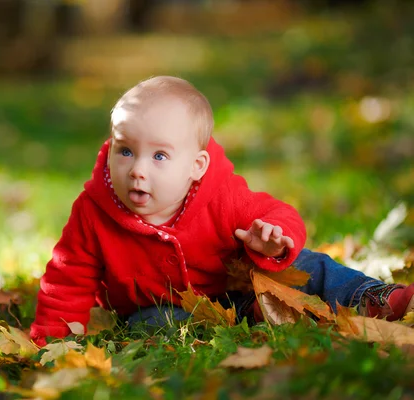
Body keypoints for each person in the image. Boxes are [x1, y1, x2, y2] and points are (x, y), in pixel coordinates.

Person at [30, 76, 414, 345]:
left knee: (311, 265)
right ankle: (262, 315)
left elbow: (281, 213)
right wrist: (52, 341)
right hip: (161, 306)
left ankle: (371, 297)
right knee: (151, 324)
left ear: (196, 166)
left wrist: (275, 239)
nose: (138, 169)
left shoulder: (220, 196)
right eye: (125, 150)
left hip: (236, 282)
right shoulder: (95, 211)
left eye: (160, 155)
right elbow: (68, 278)